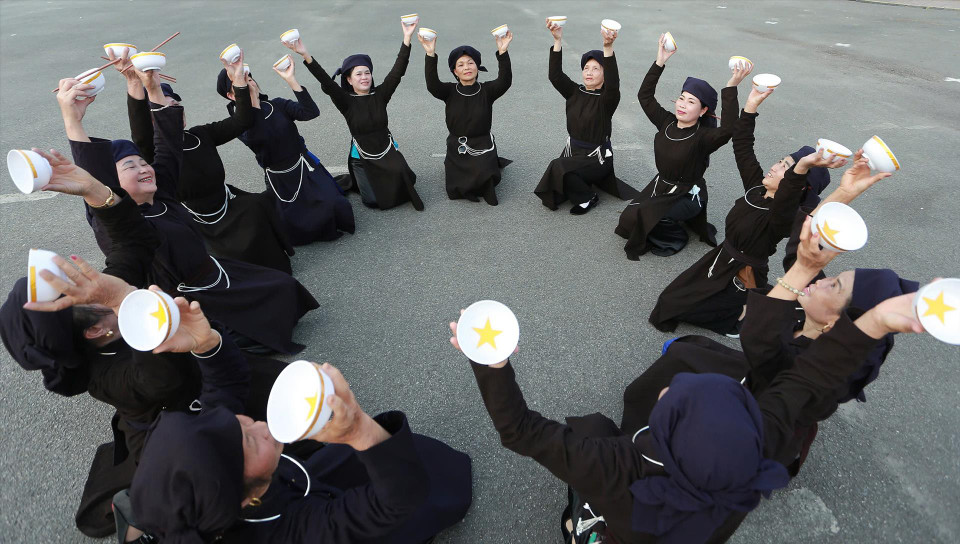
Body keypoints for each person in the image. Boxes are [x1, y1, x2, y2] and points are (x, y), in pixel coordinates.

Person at [451, 237, 927, 543]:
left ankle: (581, 527)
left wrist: (490, 363)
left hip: (621, 526)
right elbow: (807, 381)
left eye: (672, 403)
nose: (667, 391)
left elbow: (520, 432)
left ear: (664, 437)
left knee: (592, 429)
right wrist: (877, 321)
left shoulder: (621, 468)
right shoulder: (749, 461)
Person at [0, 149, 285, 538]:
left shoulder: (99, 298)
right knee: (228, 490)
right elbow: (168, 379)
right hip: (176, 416)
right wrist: (123, 299)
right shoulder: (107, 374)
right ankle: (137, 519)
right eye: (71, 289)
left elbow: (133, 244)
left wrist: (95, 190)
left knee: (282, 390)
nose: (87, 280)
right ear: (95, 331)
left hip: (206, 371)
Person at [122, 299, 472, 543]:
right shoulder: (293, 534)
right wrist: (358, 430)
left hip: (292, 484)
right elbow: (398, 500)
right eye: (248, 441)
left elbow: (225, 387)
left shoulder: (211, 467)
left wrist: (207, 342)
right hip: (321, 510)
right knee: (413, 493)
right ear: (245, 499)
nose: (257, 424)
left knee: (372, 459)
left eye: (239, 423)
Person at [57, 68, 318, 355]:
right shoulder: (121, 223)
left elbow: (167, 145)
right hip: (185, 299)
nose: (143, 168)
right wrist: (73, 119)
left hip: (216, 273)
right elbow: (95, 183)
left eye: (143, 163)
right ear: (111, 183)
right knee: (227, 339)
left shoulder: (162, 194)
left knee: (283, 285)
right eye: (130, 167)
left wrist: (153, 86)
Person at [648, 86, 845, 337]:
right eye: (781, 160)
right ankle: (755, 302)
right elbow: (742, 145)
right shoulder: (757, 188)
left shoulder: (785, 215)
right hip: (719, 259)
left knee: (685, 310)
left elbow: (787, 198)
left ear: (798, 184)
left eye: (784, 166)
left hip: (741, 276)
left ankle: (743, 313)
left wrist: (803, 165)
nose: (774, 166)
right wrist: (751, 105)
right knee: (668, 302)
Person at [113, 48, 296, 273]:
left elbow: (243, 121)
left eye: (176, 106)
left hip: (227, 202)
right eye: (164, 109)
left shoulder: (201, 134)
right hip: (196, 218)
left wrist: (238, 78)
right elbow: (140, 131)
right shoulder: (156, 150)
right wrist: (136, 84)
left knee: (259, 205)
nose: (173, 112)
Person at [615, 34, 747, 258]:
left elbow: (729, 128)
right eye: (682, 98)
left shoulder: (704, 137)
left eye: (691, 101)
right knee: (628, 220)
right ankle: (663, 218)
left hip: (687, 195)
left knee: (654, 220)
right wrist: (660, 61)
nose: (683, 105)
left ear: (703, 111)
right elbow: (644, 96)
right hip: (661, 187)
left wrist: (732, 86)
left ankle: (677, 237)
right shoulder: (666, 122)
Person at [216, 51, 356, 245]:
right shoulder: (237, 123)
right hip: (279, 179)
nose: (249, 82)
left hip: (304, 167)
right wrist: (253, 103)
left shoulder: (277, 105)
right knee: (291, 224)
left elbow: (311, 112)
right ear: (231, 95)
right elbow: (257, 138)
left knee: (333, 206)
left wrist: (291, 80)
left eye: (249, 78)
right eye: (241, 82)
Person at [288, 23, 424, 211]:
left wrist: (407, 38)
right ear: (349, 80)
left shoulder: (380, 94)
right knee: (373, 201)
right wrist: (305, 54)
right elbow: (325, 81)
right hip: (362, 157)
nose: (364, 77)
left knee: (409, 182)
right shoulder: (346, 101)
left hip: (386, 150)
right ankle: (355, 179)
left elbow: (398, 71)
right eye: (358, 74)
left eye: (367, 72)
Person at [534, 18, 640, 215]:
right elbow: (555, 76)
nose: (589, 72)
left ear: (604, 74)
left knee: (558, 167)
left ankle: (588, 197)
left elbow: (614, 83)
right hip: (573, 152)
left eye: (596, 68)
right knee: (557, 188)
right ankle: (581, 185)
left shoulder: (608, 99)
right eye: (586, 68)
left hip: (596, 158)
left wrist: (608, 47)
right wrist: (557, 40)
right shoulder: (574, 92)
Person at [420, 28, 513, 205]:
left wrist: (503, 51)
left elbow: (505, 80)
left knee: (485, 173)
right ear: (455, 71)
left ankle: (487, 179)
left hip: (482, 143)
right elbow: (432, 84)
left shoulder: (487, 90)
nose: (466, 68)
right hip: (458, 144)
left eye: (470, 63)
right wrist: (430, 54)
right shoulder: (448, 91)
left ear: (477, 66)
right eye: (460, 65)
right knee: (458, 186)